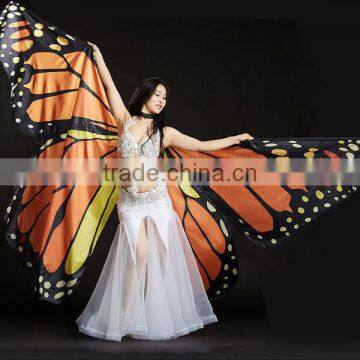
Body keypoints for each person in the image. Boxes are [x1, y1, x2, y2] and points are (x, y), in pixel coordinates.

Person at [75, 41, 254, 341]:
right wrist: (100, 57)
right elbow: (108, 85)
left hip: (156, 200)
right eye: (157, 94)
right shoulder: (125, 121)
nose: (161, 100)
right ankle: (121, 317)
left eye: (165, 97)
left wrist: (235, 137)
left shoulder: (165, 133)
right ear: (144, 94)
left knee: (154, 257)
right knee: (137, 255)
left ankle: (143, 316)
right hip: (130, 203)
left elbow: (200, 145)